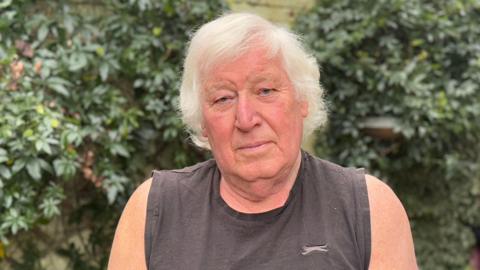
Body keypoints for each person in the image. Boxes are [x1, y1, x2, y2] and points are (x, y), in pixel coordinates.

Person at [108, 12, 417, 270]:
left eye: (265, 91)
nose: (246, 119)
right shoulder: (154, 208)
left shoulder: (369, 208)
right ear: (202, 122)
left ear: (303, 99)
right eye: (223, 98)